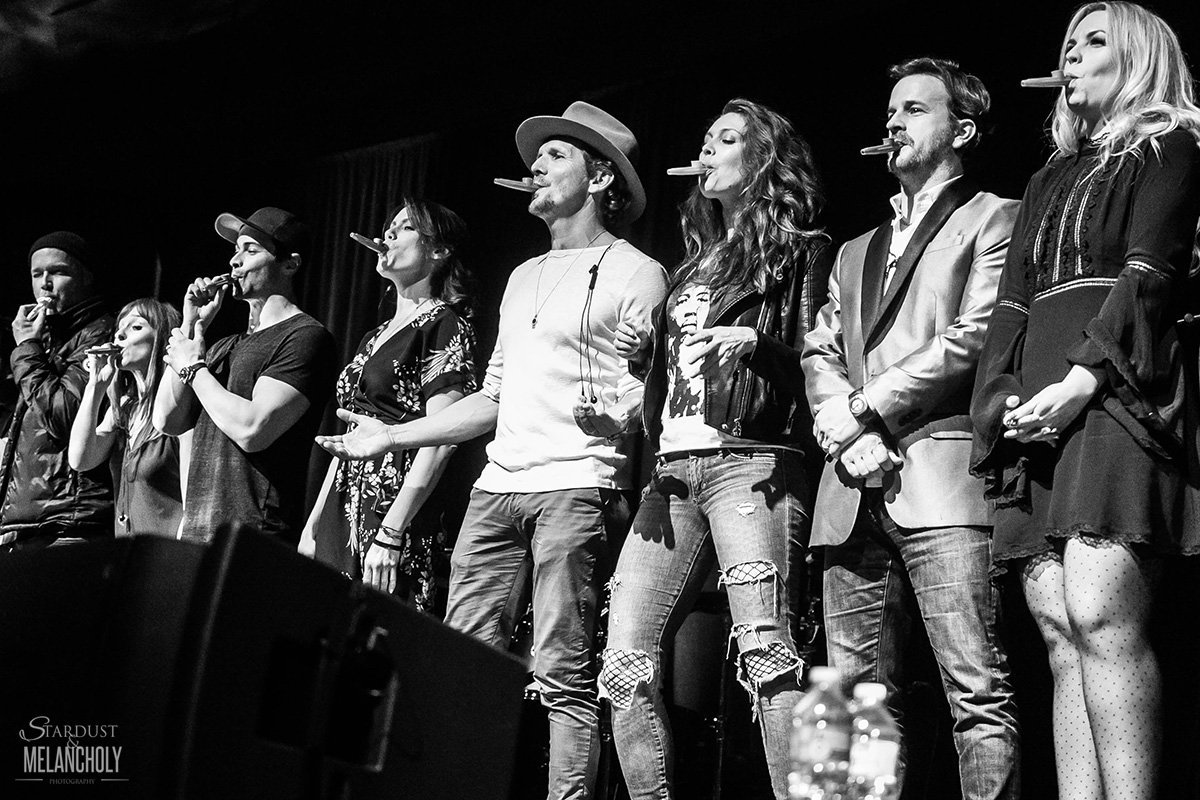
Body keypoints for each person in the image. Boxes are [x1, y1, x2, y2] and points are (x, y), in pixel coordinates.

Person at [317, 101, 668, 800]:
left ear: (601, 179)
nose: (535, 166)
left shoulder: (639, 272)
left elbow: (649, 392)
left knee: (560, 673)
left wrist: (624, 415)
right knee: (459, 661)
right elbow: (493, 397)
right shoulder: (522, 276)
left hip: (576, 486)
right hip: (496, 488)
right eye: (536, 158)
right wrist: (393, 432)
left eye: (557, 156)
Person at [970, 4, 1200, 798]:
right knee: (1060, 633)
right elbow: (1009, 305)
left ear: (1138, 57)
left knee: (1101, 613)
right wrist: (998, 399)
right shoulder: (1045, 178)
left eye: (1093, 43)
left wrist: (1082, 380)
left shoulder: (1169, 146)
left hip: (1113, 391)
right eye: (1065, 45)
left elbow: (1151, 273)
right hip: (1038, 405)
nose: (1071, 58)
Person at [596, 98, 833, 800]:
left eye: (725, 140)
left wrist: (757, 342)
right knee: (623, 663)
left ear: (762, 160)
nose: (706, 152)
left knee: (766, 652)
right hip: (672, 472)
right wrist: (646, 361)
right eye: (704, 140)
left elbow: (820, 359)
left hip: (752, 462)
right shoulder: (693, 266)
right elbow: (681, 380)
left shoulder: (804, 248)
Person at [802, 58, 1021, 798]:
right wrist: (846, 433)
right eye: (890, 111)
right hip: (850, 483)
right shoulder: (853, 249)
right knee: (843, 700)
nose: (893, 123)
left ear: (962, 128)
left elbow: (973, 336)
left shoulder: (994, 214)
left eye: (914, 110)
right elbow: (819, 350)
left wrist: (867, 407)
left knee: (976, 691)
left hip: (940, 478)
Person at [299, 199, 477, 611]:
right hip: (345, 501)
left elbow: (443, 438)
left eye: (405, 228)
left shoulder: (444, 324)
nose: (388, 235)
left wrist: (393, 530)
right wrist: (314, 523)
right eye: (389, 226)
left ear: (439, 250)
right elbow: (346, 439)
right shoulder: (374, 335)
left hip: (396, 505)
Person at [153, 207, 336, 543]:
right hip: (200, 531)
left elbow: (253, 429)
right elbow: (167, 420)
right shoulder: (223, 346)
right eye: (236, 250)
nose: (235, 261)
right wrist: (191, 327)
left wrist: (194, 369)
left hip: (255, 537)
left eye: (251, 250)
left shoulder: (305, 337)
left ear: (290, 264)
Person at [1, 232, 115, 549]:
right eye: (37, 275)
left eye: (58, 272)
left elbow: (64, 415)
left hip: (68, 522)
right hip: (30, 523)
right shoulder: (47, 342)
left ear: (87, 276)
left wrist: (26, 348)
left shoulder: (101, 334)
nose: (45, 285)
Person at [68, 298, 188, 537]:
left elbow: (193, 500)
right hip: (129, 554)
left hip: (168, 554)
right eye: (119, 329)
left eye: (136, 327)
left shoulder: (181, 406)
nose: (120, 335)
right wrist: (96, 385)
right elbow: (80, 459)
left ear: (162, 340)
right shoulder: (124, 409)